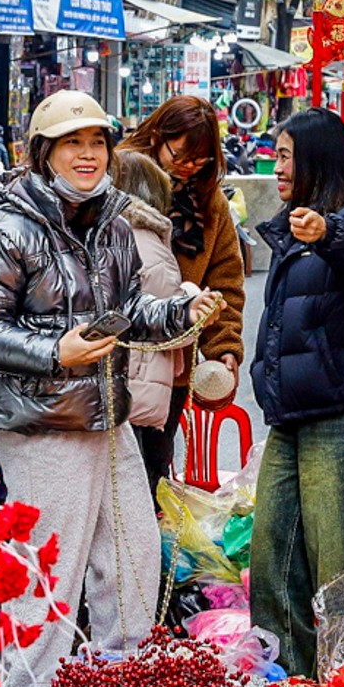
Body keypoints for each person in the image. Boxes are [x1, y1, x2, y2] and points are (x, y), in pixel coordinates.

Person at [0, 90, 220, 687]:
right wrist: (56, 353)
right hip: (43, 426)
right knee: (47, 580)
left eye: (97, 142)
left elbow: (127, 313)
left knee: (130, 565)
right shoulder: (2, 229)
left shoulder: (112, 224)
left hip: (108, 417)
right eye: (72, 142)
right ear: (43, 152)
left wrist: (180, 309)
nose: (88, 154)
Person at [251, 108, 344, 677]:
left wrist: (332, 235)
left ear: (317, 160)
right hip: (290, 418)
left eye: (287, 155)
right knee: (273, 566)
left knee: (340, 584)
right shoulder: (292, 225)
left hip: (342, 420)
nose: (278, 166)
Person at [118, 96, 247, 488]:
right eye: (181, 154)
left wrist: (224, 346)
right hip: (113, 359)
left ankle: (150, 548)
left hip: (171, 365)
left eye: (202, 159)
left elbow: (226, 281)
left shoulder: (211, 203)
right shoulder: (118, 175)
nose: (188, 166)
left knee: (155, 470)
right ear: (158, 136)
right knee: (116, 474)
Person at [111, 150, 187, 477]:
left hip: (123, 380)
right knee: (143, 479)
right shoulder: (147, 242)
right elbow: (170, 318)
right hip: (141, 383)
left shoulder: (111, 235)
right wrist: (191, 300)